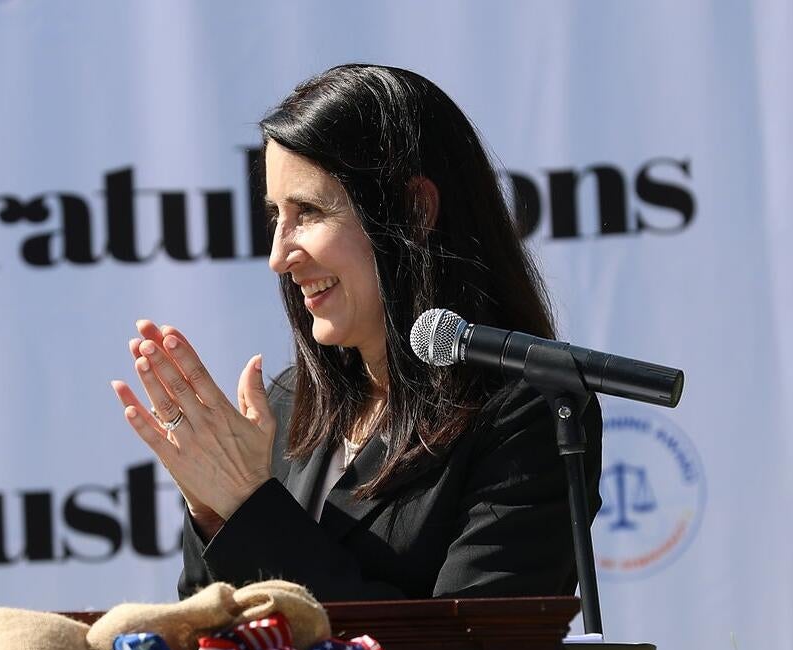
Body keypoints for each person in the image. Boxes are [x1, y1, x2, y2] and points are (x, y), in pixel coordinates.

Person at [110, 64, 601, 602]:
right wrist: (213, 511)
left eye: (310, 212)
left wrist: (250, 506)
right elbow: (218, 646)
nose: (279, 256)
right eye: (276, 215)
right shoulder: (290, 402)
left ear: (415, 211)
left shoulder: (528, 412)